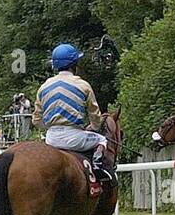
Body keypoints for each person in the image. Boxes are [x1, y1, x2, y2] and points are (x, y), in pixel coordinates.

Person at [34, 43, 115, 185]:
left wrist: (51, 125)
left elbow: (36, 120)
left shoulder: (44, 87)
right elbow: (95, 117)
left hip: (51, 138)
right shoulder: (83, 85)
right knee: (102, 140)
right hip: (75, 138)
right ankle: (97, 167)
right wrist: (94, 128)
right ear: (74, 64)